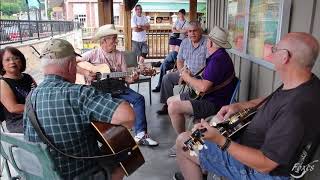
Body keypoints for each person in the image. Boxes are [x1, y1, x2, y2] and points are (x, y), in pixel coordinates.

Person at [174, 32, 320, 180]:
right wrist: (240, 106)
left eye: (275, 49)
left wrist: (220, 140)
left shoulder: (296, 109)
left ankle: (197, 165)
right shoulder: (304, 83)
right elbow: (276, 100)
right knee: (209, 128)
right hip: (248, 144)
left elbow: (266, 164)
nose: (271, 52)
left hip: (258, 171)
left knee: (184, 142)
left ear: (285, 57)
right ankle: (204, 164)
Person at [24, 39, 136, 180]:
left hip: (42, 175)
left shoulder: (30, 98)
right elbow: (128, 116)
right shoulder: (78, 94)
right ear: (71, 65)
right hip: (80, 174)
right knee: (128, 156)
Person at [77, 24, 158, 146]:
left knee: (139, 99)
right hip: (99, 91)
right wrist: (86, 73)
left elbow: (127, 78)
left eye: (116, 38)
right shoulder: (93, 54)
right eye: (113, 38)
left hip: (118, 87)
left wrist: (133, 77)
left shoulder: (119, 55)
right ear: (103, 41)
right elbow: (73, 63)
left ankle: (140, 134)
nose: (116, 41)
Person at [167, 26, 236, 157]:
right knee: (170, 100)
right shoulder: (219, 56)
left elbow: (203, 87)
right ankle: (187, 135)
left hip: (213, 102)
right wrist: (191, 77)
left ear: (210, 42)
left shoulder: (217, 60)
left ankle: (184, 141)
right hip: (207, 96)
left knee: (173, 107)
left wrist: (187, 77)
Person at [157, 21, 207, 115]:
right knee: (166, 78)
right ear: (187, 32)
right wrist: (182, 73)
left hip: (201, 76)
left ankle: (191, 106)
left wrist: (189, 77)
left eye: (195, 31)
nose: (192, 34)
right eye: (189, 31)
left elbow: (210, 63)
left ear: (200, 31)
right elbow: (179, 60)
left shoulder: (207, 43)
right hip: (186, 72)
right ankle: (167, 105)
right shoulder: (184, 42)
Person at [0, 47, 36, 133]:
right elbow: (13, 108)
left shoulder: (27, 77)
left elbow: (38, 94)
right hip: (18, 121)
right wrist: (37, 108)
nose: (12, 62)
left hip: (34, 114)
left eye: (16, 58)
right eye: (7, 60)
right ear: (2, 65)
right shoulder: (3, 83)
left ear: (21, 61)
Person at [152, 9, 189, 93]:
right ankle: (159, 86)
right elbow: (174, 29)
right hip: (175, 61)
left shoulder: (187, 40)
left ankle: (161, 62)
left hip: (181, 62)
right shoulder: (177, 22)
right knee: (164, 65)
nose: (191, 34)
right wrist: (180, 31)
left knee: (173, 53)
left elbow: (182, 31)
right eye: (190, 32)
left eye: (191, 32)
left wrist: (179, 30)